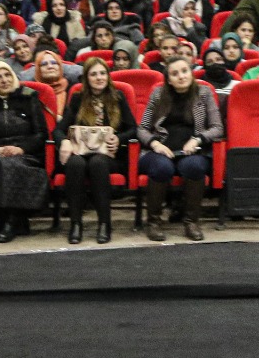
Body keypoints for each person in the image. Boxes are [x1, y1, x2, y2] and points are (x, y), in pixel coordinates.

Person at [137, 56, 225, 242]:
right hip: (160, 150)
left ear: (191, 73)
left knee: (194, 167)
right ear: (168, 79)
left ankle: (191, 222)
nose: (181, 76)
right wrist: (155, 144)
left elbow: (217, 128)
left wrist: (198, 139)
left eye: (185, 71)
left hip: (192, 151)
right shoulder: (158, 94)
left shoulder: (204, 93)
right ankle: (153, 222)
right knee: (162, 168)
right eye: (175, 73)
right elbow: (142, 128)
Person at [0, 60, 50, 244]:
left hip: (25, 152)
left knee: (10, 166)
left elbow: (40, 134)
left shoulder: (28, 98)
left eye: (7, 75)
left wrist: (20, 148)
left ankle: (11, 221)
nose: (4, 80)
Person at [57, 56, 135, 244]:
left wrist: (119, 138)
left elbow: (134, 129)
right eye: (94, 74)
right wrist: (64, 142)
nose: (99, 77)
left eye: (102, 73)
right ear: (86, 78)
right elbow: (58, 129)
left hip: (109, 155)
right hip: (81, 152)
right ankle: (76, 223)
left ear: (108, 76)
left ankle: (104, 223)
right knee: (75, 163)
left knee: (97, 162)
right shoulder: (77, 99)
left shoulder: (118, 97)